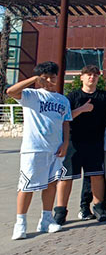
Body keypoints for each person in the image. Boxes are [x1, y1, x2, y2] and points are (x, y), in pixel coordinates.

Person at [9, 62, 81, 240]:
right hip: (34, 148)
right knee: (26, 186)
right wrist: (33, 79)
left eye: (53, 76)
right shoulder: (30, 95)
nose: (50, 80)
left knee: (51, 185)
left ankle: (46, 219)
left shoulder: (62, 99)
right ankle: (21, 223)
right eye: (46, 76)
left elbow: (66, 122)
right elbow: (10, 92)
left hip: (55, 149)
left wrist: (65, 143)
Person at [55, 64, 106, 225]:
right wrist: (83, 109)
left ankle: (99, 208)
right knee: (67, 177)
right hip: (74, 142)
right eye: (88, 75)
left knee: (96, 175)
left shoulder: (105, 97)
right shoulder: (72, 97)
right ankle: (60, 211)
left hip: (95, 142)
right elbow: (64, 118)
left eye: (95, 75)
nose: (91, 77)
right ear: (82, 77)